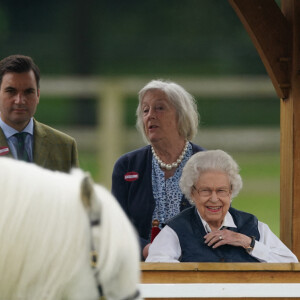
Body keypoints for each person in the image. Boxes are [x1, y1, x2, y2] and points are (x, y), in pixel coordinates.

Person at [146, 150, 298, 263]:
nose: (214, 199)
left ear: (231, 192)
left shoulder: (253, 226)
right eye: (205, 191)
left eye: (221, 191)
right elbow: (157, 270)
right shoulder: (176, 229)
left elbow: (291, 265)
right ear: (192, 193)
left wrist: (247, 243)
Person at [111, 79, 205, 260]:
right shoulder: (127, 166)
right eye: (145, 110)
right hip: (139, 265)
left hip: (194, 265)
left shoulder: (207, 163)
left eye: (159, 108)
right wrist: (148, 251)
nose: (150, 116)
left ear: (181, 115)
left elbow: (219, 222)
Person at [0, 54, 79, 172]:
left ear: (38, 95)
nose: (20, 100)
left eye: (28, 92)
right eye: (11, 91)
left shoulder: (65, 146)